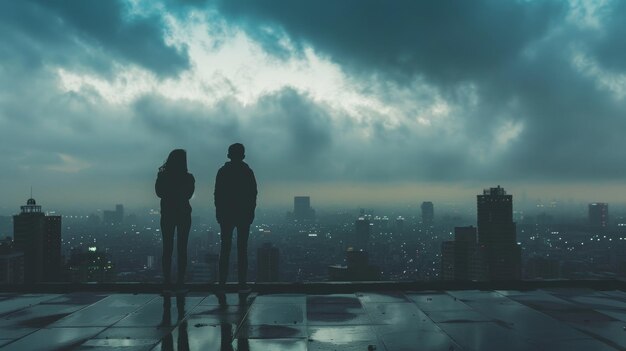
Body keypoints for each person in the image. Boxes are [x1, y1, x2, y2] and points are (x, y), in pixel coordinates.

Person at [214, 143, 257, 292]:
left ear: (228, 155)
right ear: (243, 156)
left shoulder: (223, 172)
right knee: (242, 249)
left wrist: (219, 212)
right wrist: (251, 212)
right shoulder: (247, 172)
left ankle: (222, 283)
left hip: (226, 214)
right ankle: (242, 283)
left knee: (225, 248)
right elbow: (253, 194)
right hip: (243, 214)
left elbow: (217, 194)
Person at [156, 149, 195, 293]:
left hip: (167, 213)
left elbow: (159, 192)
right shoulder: (188, 177)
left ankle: (167, 282)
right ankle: (180, 282)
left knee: (167, 248)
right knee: (182, 248)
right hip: (184, 214)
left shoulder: (163, 176)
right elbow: (189, 194)